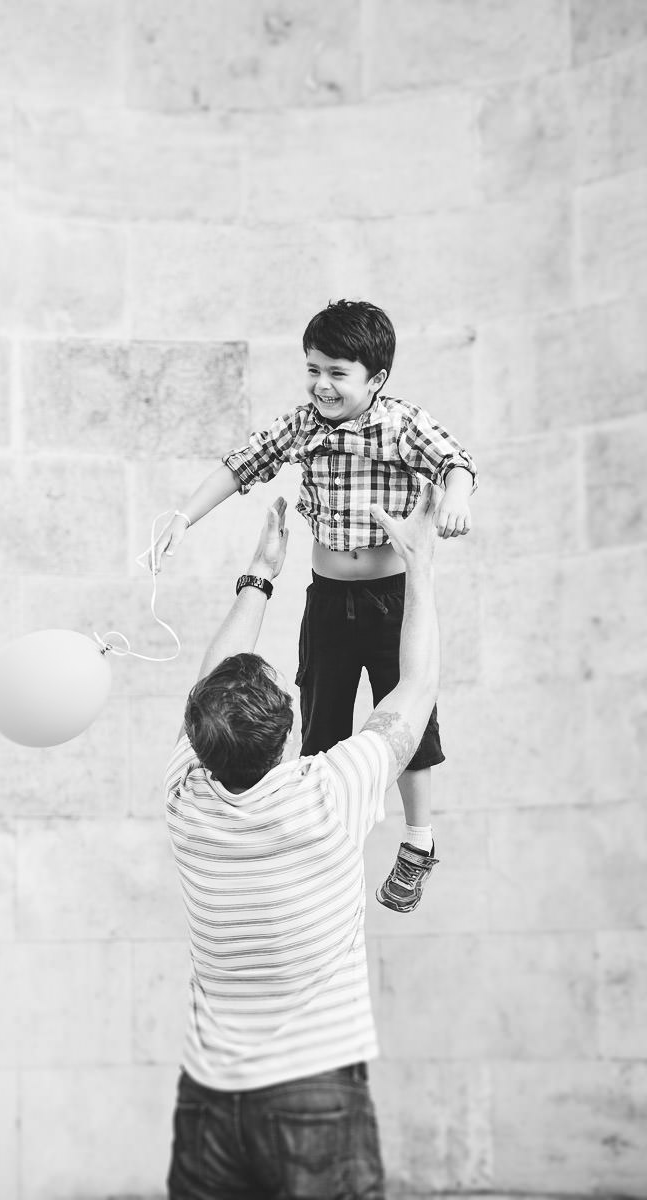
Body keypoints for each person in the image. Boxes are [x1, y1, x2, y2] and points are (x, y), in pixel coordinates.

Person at [148, 299, 476, 912]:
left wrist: (456, 499)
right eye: (313, 370)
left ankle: (418, 839)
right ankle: (327, 840)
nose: (322, 385)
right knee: (321, 718)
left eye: (337, 373)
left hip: (391, 597)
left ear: (376, 379)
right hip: (328, 598)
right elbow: (240, 466)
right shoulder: (302, 425)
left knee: (408, 712)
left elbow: (456, 462)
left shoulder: (402, 424)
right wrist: (183, 517)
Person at [164, 481, 443, 1198]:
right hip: (315, 1094)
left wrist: (260, 575)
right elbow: (416, 685)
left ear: (199, 737)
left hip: (208, 1100)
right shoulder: (332, 792)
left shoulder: (185, 795)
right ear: (289, 733)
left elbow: (206, 691)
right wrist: (418, 567)